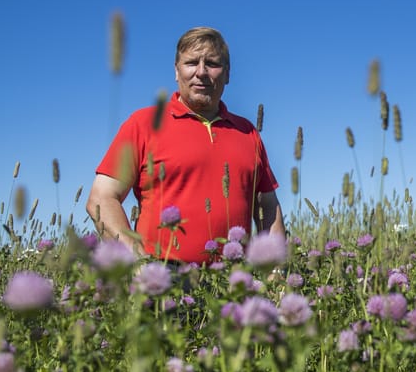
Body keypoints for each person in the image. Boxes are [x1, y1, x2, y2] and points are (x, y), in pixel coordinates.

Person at [87, 27, 284, 263]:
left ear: (228, 74)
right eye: (191, 63)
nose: (201, 72)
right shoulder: (143, 124)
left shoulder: (248, 132)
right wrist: (137, 263)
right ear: (176, 71)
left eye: (212, 63)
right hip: (161, 285)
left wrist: (274, 273)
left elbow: (268, 207)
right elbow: (101, 198)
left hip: (235, 284)